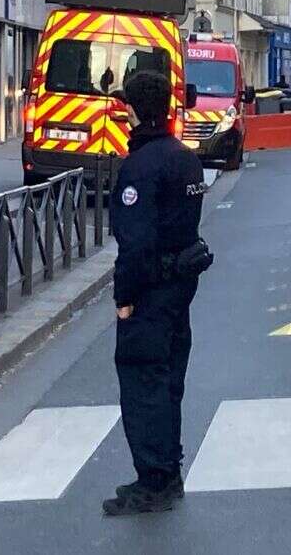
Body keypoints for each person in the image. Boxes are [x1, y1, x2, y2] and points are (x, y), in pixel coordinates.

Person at [103, 71, 214, 516]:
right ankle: (168, 471)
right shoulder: (185, 158)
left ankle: (154, 480)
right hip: (179, 288)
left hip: (149, 291)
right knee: (168, 382)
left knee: (143, 381)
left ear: (131, 109)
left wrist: (125, 297)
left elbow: (136, 242)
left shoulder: (141, 165)